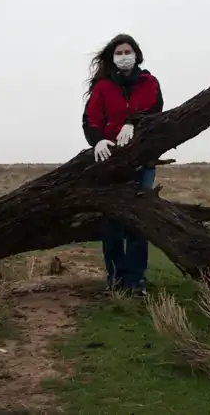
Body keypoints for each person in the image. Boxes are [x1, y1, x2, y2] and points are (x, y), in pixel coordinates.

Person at [81, 33, 163, 295]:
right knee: (113, 224)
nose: (124, 57)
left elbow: (155, 111)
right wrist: (98, 141)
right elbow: (90, 119)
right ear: (112, 58)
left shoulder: (149, 82)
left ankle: (136, 282)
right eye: (119, 53)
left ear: (137, 55)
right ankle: (116, 280)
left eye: (128, 52)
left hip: (143, 161)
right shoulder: (103, 86)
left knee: (138, 223)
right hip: (111, 163)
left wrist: (132, 122)